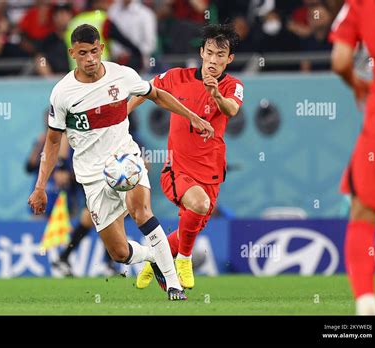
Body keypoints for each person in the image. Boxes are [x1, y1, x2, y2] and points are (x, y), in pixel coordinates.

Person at [27, 24, 214, 301]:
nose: (90, 58)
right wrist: (41, 185)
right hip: (91, 175)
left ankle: (174, 285)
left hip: (125, 160)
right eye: (82, 53)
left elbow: (157, 95)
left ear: (101, 48)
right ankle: (152, 256)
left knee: (141, 211)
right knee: (120, 253)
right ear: (72, 54)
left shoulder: (122, 75)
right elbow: (53, 141)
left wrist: (193, 117)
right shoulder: (62, 93)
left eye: (94, 51)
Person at [128, 24, 244, 290]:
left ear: (229, 59)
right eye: (210, 53)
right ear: (202, 52)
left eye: (220, 55)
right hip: (178, 168)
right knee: (199, 205)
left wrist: (215, 93)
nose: (214, 60)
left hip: (211, 170)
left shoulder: (233, 85)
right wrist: (122, 115)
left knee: (190, 226)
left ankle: (155, 261)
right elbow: (146, 91)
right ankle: (184, 259)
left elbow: (232, 110)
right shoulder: (176, 77)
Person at [330, 0, 375, 315]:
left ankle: (367, 300)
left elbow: (340, 60)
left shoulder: (361, 3)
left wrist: (357, 84)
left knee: (363, 212)